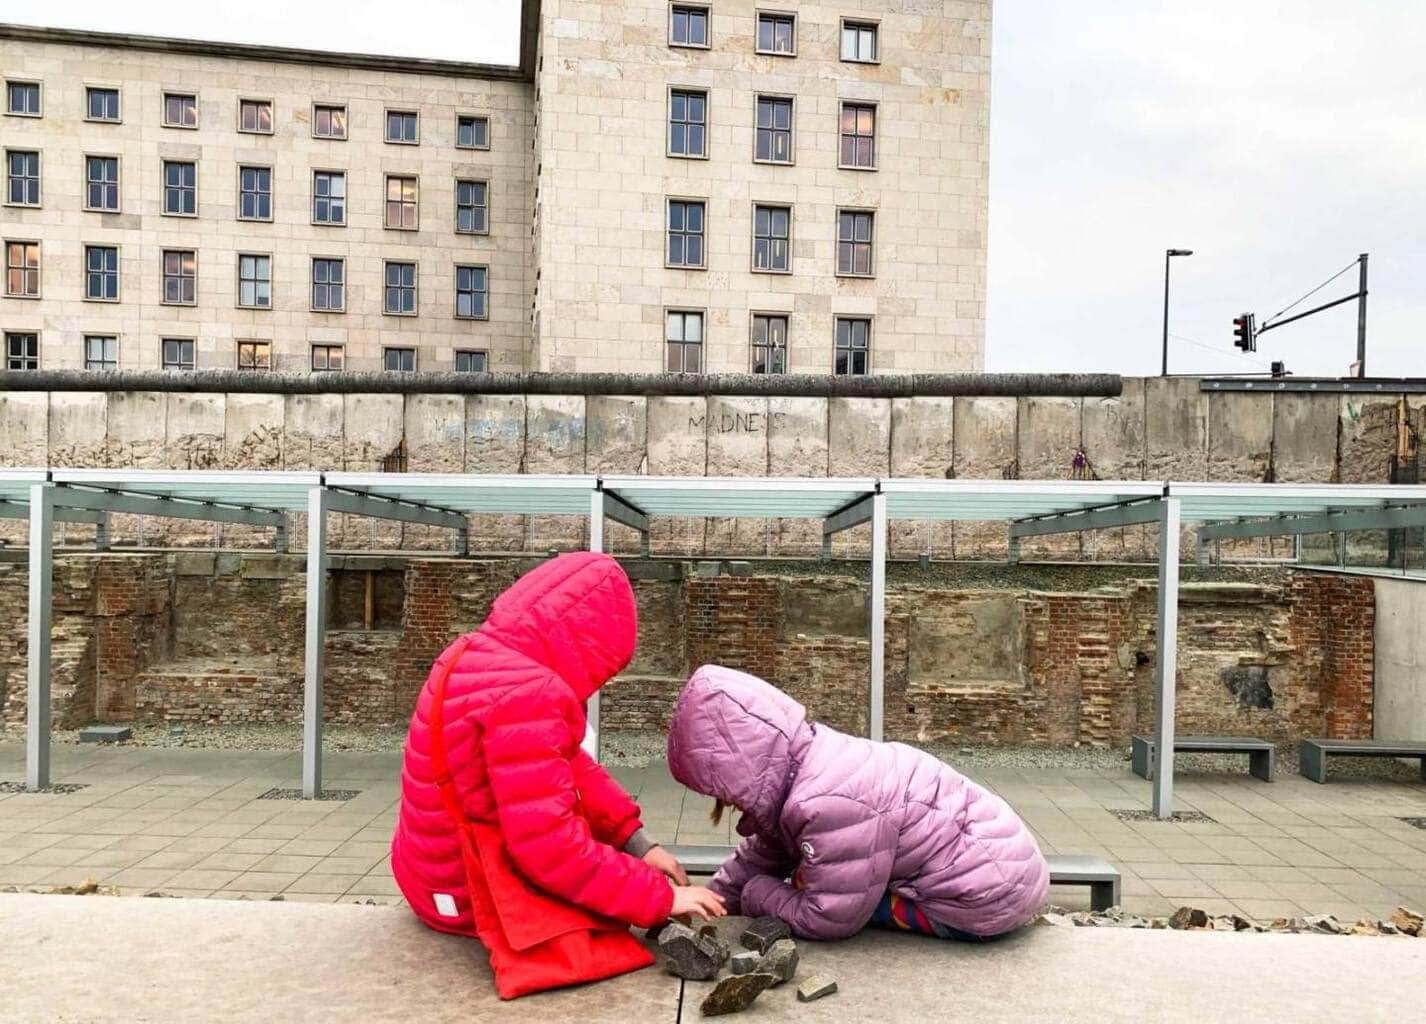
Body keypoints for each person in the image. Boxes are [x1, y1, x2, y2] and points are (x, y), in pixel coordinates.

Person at [391, 552, 724, 999]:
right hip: (465, 897)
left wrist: (637, 843)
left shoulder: (475, 653)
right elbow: (550, 850)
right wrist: (659, 898)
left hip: (424, 877)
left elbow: (564, 764)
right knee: (599, 926)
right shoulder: (530, 692)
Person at [667, 664, 1049, 942]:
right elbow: (765, 850)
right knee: (822, 872)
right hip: (1005, 864)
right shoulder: (809, 761)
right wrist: (714, 898)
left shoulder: (823, 802)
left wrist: (754, 894)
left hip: (987, 899)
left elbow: (829, 918)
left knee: (812, 884)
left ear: (740, 771)